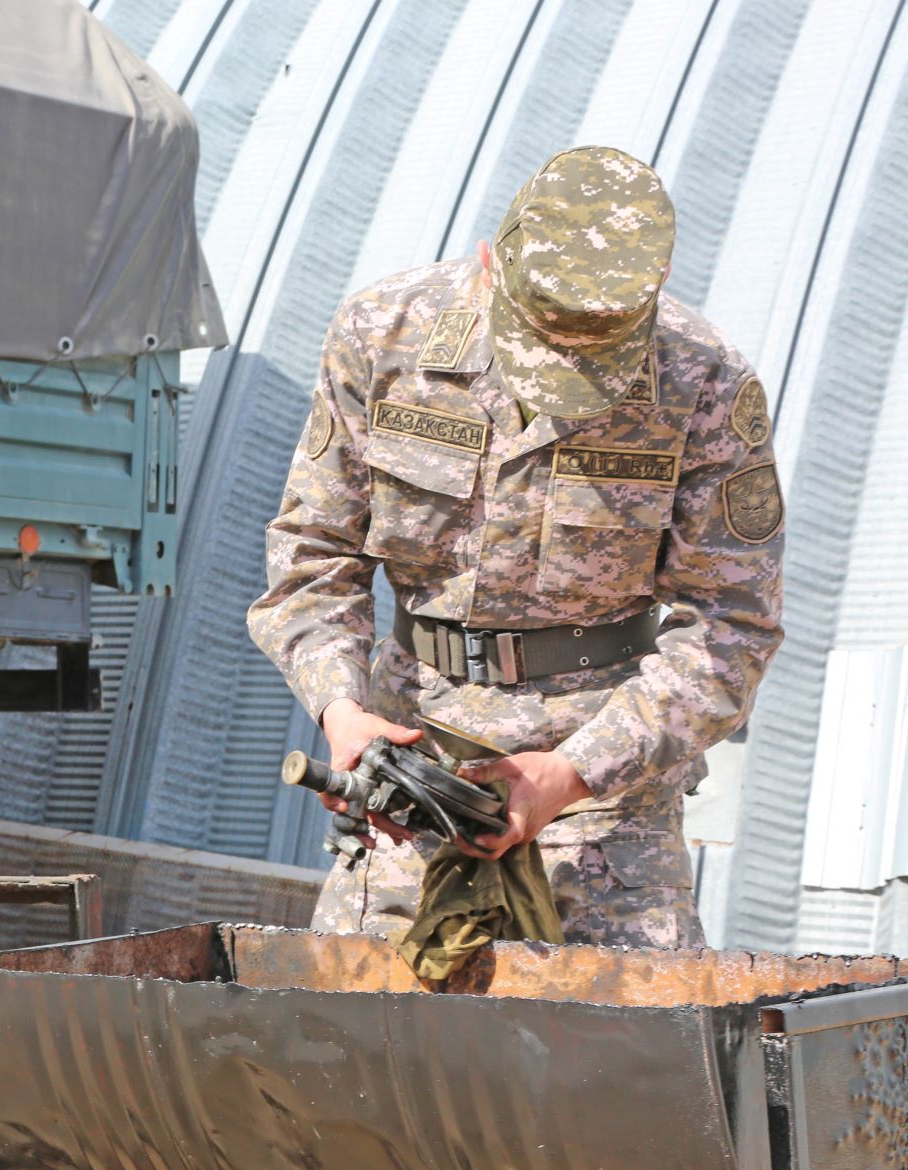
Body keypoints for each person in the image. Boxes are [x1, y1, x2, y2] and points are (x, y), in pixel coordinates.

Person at [247, 147, 784, 949]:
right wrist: (342, 713)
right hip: (417, 774)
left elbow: (731, 627)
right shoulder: (384, 334)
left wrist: (571, 774)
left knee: (623, 1063)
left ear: (657, 283)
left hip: (606, 810)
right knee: (356, 1048)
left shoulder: (702, 383)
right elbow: (316, 556)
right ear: (491, 258)